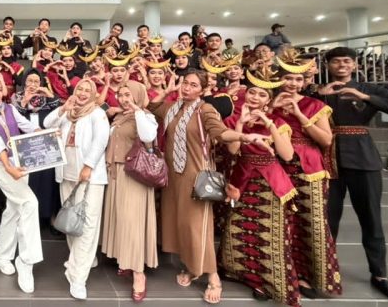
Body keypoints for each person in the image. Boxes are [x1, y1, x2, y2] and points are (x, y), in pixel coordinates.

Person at [151, 69, 270, 304]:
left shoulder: (204, 109)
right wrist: (166, 91)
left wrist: (246, 137)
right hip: (173, 176)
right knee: (181, 224)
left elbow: (220, 132)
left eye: (194, 85)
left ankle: (213, 277)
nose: (187, 88)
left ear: (203, 90)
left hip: (195, 176)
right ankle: (191, 267)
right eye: (185, 83)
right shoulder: (173, 107)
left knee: (198, 226)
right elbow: (152, 108)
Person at [317, 47, 388, 301]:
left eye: (346, 61)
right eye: (335, 62)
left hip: (364, 160)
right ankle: (325, 274)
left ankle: (380, 276)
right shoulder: (319, 92)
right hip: (328, 161)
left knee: (372, 220)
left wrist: (363, 96)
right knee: (328, 221)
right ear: (328, 66)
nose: (341, 65)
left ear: (354, 65)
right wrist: (318, 97)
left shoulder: (371, 90)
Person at [219, 67, 299, 304]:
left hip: (270, 181)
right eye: (252, 92)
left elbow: (286, 155)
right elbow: (233, 150)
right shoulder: (233, 119)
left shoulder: (277, 121)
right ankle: (238, 271)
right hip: (241, 177)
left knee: (268, 231)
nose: (255, 98)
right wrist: (241, 125)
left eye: (262, 95)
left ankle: (265, 280)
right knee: (238, 227)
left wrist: (269, 124)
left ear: (269, 100)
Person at [274, 50, 342, 299]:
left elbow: (325, 140)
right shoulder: (271, 104)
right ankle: (281, 273)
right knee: (280, 223)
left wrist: (299, 114)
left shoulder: (315, 105)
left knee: (308, 222)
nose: (292, 83)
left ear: (304, 82)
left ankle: (305, 275)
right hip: (277, 167)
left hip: (308, 169)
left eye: (297, 79)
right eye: (287, 78)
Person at [43, 79, 110, 299]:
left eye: (87, 90)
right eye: (79, 89)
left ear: (93, 94)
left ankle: (78, 277)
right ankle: (82, 259)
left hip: (89, 176)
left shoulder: (97, 113)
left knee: (87, 225)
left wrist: (89, 165)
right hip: (67, 174)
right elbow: (47, 124)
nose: (82, 93)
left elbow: (101, 140)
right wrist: (63, 108)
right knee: (70, 222)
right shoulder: (70, 113)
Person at [0, 79, 42, 293]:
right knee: (30, 203)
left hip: (21, 162)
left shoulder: (10, 108)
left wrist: (45, 133)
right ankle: (26, 260)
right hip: (2, 166)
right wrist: (8, 166)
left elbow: (27, 126)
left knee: (14, 210)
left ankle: (0, 256)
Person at [100, 81, 158, 302]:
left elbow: (147, 137)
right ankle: (125, 259)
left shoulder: (145, 116)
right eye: (121, 95)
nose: (124, 99)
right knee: (120, 218)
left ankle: (138, 274)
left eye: (128, 95)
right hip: (115, 172)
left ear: (138, 95)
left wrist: (137, 110)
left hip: (133, 174)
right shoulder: (118, 118)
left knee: (132, 221)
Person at [12, 70, 61, 231]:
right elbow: (13, 118)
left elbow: (58, 110)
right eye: (30, 80)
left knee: (47, 181)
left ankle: (45, 217)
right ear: (24, 82)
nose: (33, 84)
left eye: (36, 81)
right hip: (25, 147)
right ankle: (26, 217)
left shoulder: (47, 98)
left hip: (45, 144)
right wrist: (25, 101)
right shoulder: (16, 97)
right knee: (28, 181)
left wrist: (48, 93)